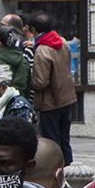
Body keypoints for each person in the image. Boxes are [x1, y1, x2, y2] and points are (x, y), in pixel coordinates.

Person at [26, 14, 78, 163]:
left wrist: (30, 78)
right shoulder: (61, 42)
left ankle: (55, 170)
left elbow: (40, 81)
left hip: (50, 102)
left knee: (52, 141)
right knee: (64, 139)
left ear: (34, 29)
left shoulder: (42, 50)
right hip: (66, 97)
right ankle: (68, 167)